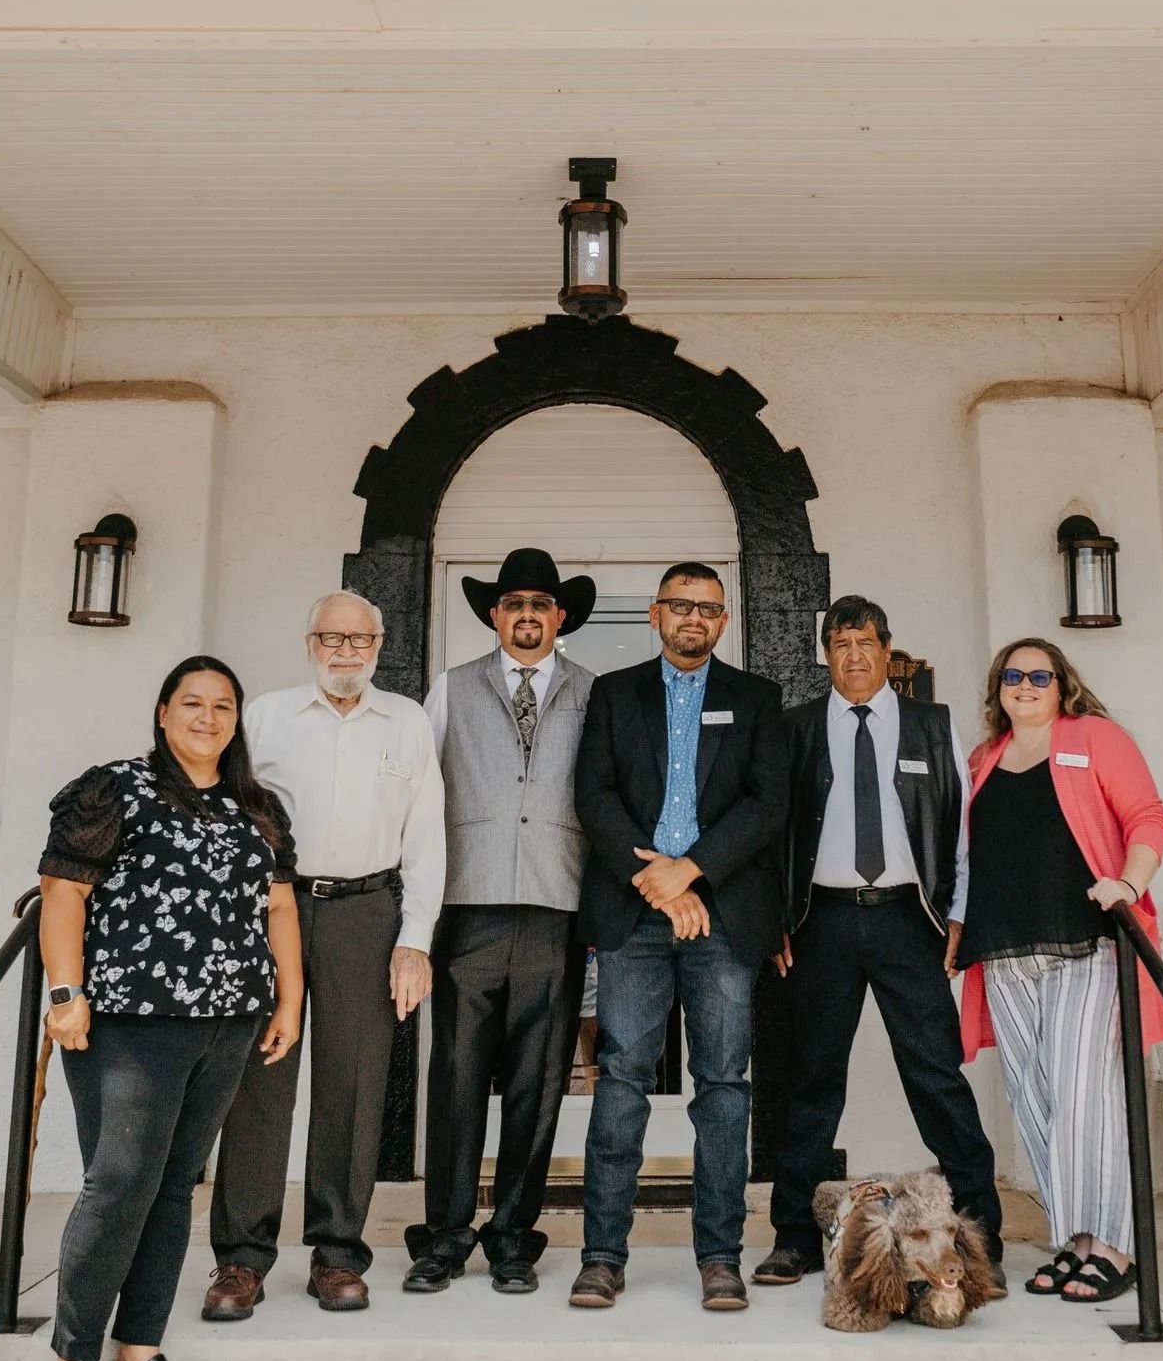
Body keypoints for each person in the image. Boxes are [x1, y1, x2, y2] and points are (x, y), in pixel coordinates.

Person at [39, 656, 303, 1361]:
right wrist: (65, 992)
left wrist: (289, 1000)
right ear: (162, 713)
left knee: (175, 1187)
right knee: (120, 1180)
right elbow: (65, 891)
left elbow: (279, 909)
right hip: (127, 1018)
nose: (208, 718)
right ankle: (74, 1356)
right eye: (192, 703)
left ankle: (138, 1352)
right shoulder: (114, 788)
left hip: (228, 1021)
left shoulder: (257, 806)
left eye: (223, 706)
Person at [202, 590, 444, 1318]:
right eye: (331, 638)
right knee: (259, 1083)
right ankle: (241, 1261)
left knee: (354, 1083)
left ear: (379, 645)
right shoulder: (266, 715)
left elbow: (427, 835)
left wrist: (415, 940)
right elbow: (225, 816)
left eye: (359, 639)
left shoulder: (406, 721)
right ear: (310, 644)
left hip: (369, 911)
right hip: (274, 906)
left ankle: (337, 1255)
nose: (345, 651)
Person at [757, 595, 1003, 1292]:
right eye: (840, 643)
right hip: (822, 924)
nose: (854, 656)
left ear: (887, 650)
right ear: (825, 654)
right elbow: (773, 831)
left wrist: (958, 915)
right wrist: (778, 916)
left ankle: (980, 1232)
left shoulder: (933, 725)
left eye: (865, 642)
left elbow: (961, 830)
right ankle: (793, 1240)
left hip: (907, 920)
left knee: (936, 1076)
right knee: (810, 1080)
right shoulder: (797, 729)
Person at [571, 561, 788, 1312]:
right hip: (633, 917)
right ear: (656, 615)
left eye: (709, 608)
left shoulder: (757, 699)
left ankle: (720, 1256)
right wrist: (656, 882)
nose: (694, 618)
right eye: (681, 605)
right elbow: (593, 797)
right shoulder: (613, 693)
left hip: (722, 917)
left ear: (723, 621)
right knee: (623, 1079)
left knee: (724, 1085)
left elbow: (767, 806)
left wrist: (690, 874)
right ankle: (602, 1255)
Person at [949, 637, 1163, 1307]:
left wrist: (1128, 886)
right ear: (998, 690)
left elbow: (1148, 820)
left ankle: (1115, 1247)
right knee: (1036, 1102)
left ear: (1062, 685)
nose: (1024, 685)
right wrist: (957, 935)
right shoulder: (982, 759)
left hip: (1085, 944)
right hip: (1006, 953)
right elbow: (965, 858)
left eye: (1038, 675)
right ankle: (1076, 1242)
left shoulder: (1094, 737)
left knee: (1084, 1099)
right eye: (1011, 676)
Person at [408, 548, 597, 1295]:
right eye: (514, 602)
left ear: (560, 617)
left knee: (538, 1078)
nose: (527, 614)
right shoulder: (451, 690)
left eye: (541, 604)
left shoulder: (592, 692)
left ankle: (514, 1234)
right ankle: (446, 1236)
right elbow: (421, 798)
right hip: (468, 904)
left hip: (557, 903)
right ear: (493, 614)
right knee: (456, 1074)